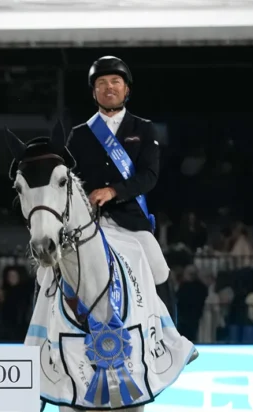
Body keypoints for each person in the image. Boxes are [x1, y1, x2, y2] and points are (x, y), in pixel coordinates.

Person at [66, 55, 177, 322]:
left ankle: (172, 336)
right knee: (48, 271)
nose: (109, 87)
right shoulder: (79, 134)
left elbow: (149, 176)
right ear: (94, 92)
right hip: (89, 221)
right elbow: (69, 179)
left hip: (130, 220)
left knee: (159, 268)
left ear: (126, 89)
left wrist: (113, 191)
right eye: (102, 83)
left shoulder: (144, 129)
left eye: (115, 81)